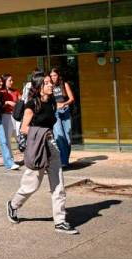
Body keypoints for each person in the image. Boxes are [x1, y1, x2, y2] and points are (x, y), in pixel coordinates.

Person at [6, 72, 79, 235]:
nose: (51, 85)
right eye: (46, 83)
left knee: (58, 185)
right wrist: (41, 132)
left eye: (50, 82)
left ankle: (60, 221)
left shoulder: (52, 102)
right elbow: (24, 128)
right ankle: (13, 205)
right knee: (31, 185)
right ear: (39, 87)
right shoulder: (32, 104)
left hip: (51, 146)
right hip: (38, 146)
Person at [50, 67, 75, 168]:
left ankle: (65, 159)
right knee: (59, 136)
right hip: (55, 112)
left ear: (58, 76)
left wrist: (64, 104)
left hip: (65, 111)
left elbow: (71, 98)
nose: (53, 78)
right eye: (51, 76)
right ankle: (63, 161)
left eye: (54, 75)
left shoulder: (64, 84)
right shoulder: (50, 86)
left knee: (68, 138)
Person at [0, 74, 21, 147]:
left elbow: (21, 102)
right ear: (5, 81)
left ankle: (27, 155)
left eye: (12, 80)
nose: (12, 82)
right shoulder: (1, 92)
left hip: (16, 116)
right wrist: (7, 102)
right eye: (10, 80)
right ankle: (9, 157)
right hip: (6, 116)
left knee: (19, 137)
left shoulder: (16, 91)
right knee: (7, 138)